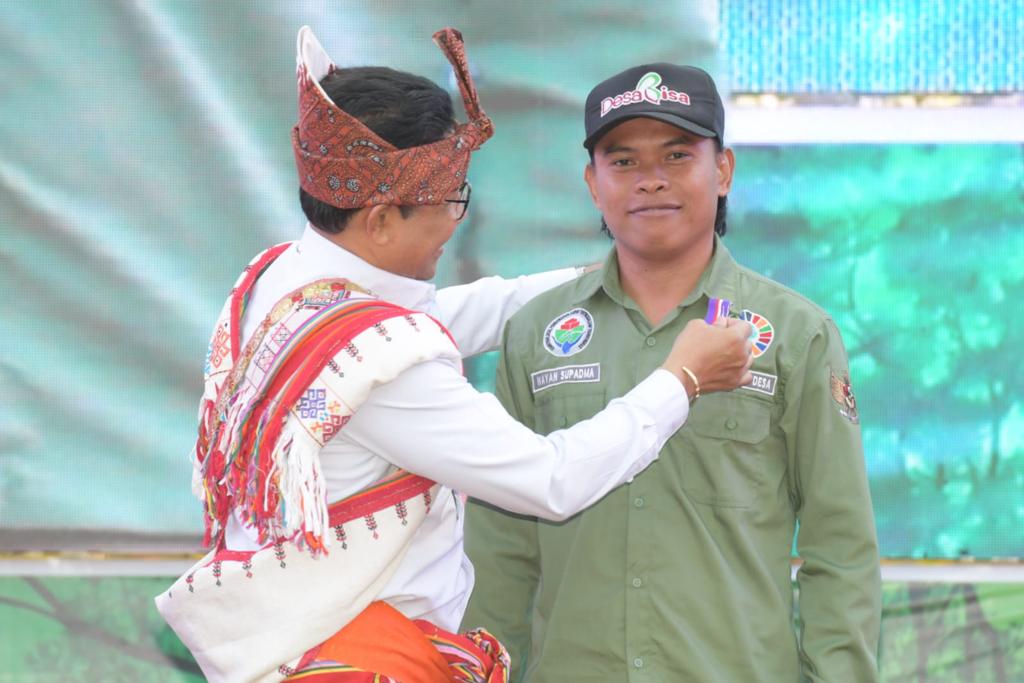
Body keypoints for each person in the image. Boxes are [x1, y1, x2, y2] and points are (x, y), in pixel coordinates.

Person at [155, 30, 754, 683]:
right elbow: (550, 480)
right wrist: (681, 378)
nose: (453, 222)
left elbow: (435, 318)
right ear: (382, 219)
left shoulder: (276, 282)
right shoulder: (390, 374)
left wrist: (612, 274)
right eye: (448, 202)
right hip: (358, 661)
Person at [462, 62, 882, 682]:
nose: (650, 181)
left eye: (678, 155)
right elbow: (501, 550)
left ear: (724, 171)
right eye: (623, 161)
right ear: (592, 182)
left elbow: (838, 546)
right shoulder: (536, 336)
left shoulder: (796, 333)